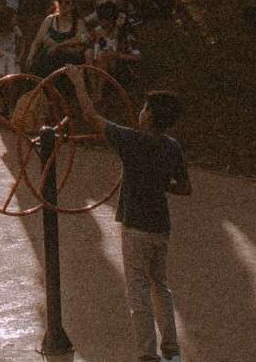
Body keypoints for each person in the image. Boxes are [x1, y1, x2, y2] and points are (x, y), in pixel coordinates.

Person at [65, 70, 190, 362]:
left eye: (145, 108)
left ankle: (147, 355)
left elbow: (90, 116)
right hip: (161, 228)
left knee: (138, 292)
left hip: (136, 227)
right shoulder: (172, 147)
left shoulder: (131, 141)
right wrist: (160, 182)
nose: (141, 111)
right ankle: (171, 350)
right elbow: (185, 187)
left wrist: (78, 82)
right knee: (161, 286)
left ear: (149, 116)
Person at [26, 0, 86, 76]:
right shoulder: (50, 20)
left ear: (72, 6)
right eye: (60, 2)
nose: (63, 5)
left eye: (67, 2)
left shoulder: (78, 22)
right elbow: (37, 41)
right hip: (48, 60)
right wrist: (30, 56)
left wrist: (58, 45)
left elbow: (83, 39)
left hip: (68, 60)